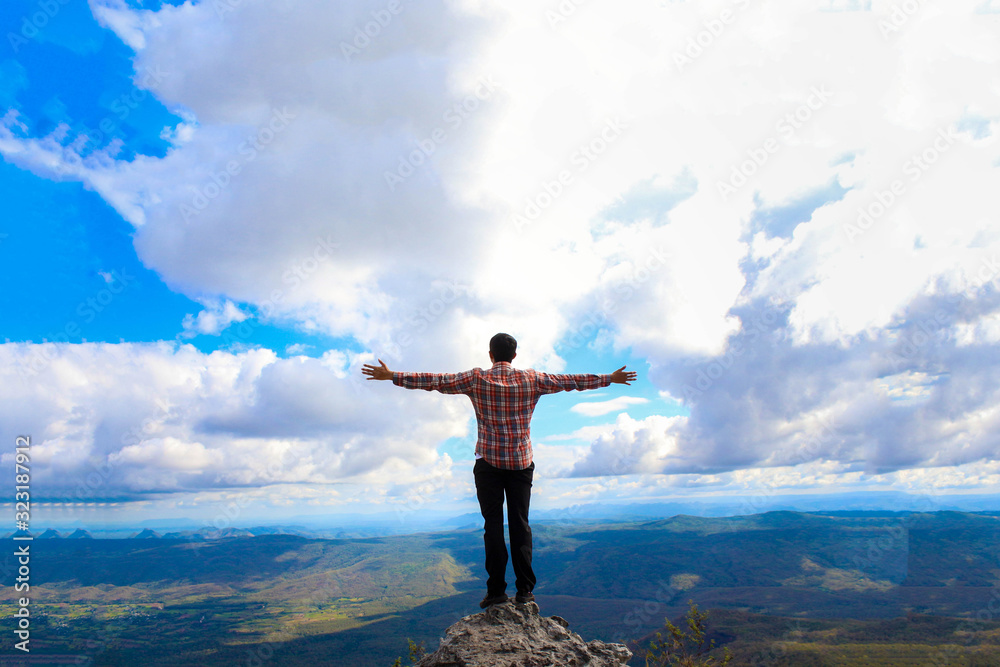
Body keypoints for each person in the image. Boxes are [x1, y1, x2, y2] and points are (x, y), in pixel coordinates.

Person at [362, 332, 637, 609]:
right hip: (520, 463)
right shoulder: (532, 379)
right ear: (514, 356)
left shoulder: (476, 378)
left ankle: (496, 592)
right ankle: (525, 592)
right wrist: (609, 378)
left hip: (488, 465)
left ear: (490, 355)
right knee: (520, 525)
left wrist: (393, 376)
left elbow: (437, 381)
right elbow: (571, 382)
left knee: (492, 526)